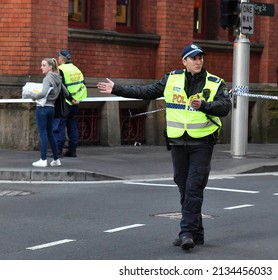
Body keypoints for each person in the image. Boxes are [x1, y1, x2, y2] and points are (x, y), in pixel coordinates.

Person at [97, 43, 232, 250]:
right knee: (183, 185)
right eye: (194, 58)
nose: (198, 61)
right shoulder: (172, 79)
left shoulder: (215, 82)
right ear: (184, 61)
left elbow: (224, 107)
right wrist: (117, 89)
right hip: (178, 141)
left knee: (193, 187)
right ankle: (197, 232)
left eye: (200, 58)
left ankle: (186, 232)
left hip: (202, 142)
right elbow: (146, 91)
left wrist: (204, 105)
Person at [31, 58, 70, 167]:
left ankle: (43, 159)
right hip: (52, 108)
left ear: (50, 67)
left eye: (44, 65)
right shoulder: (58, 78)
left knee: (42, 133)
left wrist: (33, 96)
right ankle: (56, 159)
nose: (41, 67)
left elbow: (43, 93)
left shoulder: (47, 78)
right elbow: (66, 93)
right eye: (41, 65)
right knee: (50, 133)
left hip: (42, 108)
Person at [53, 49, 87, 158]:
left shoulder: (60, 69)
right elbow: (82, 85)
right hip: (75, 103)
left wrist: (71, 98)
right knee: (72, 126)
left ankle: (58, 151)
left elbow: (63, 87)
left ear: (62, 58)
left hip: (65, 102)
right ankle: (72, 150)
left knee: (60, 126)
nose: (58, 59)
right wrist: (78, 99)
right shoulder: (77, 70)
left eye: (59, 57)